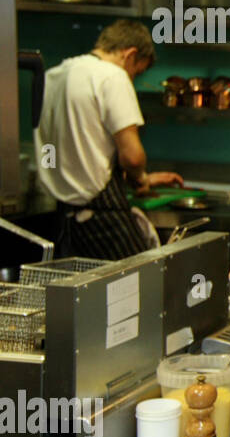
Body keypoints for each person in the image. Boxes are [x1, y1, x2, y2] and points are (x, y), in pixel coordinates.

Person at [35, 20, 183, 259]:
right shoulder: (112, 76)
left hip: (63, 218)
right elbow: (132, 157)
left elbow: (73, 148)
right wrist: (140, 178)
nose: (132, 79)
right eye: (137, 73)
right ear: (130, 55)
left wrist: (146, 178)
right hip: (100, 214)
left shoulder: (53, 76)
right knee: (142, 287)